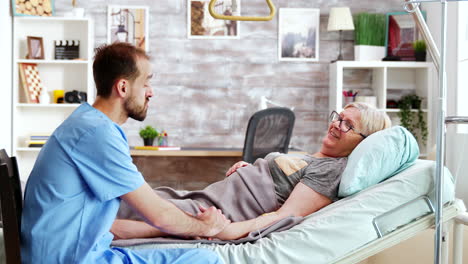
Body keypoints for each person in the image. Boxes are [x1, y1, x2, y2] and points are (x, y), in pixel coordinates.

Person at [20, 42, 230, 264]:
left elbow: (108, 226)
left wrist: (182, 229)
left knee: (200, 256)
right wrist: (207, 226)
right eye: (146, 82)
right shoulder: (97, 133)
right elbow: (159, 214)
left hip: (80, 254)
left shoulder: (88, 123)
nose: (151, 92)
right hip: (73, 260)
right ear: (122, 87)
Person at [112, 102, 392, 241]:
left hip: (220, 209)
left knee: (140, 210)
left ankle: (81, 231)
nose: (336, 125)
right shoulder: (314, 156)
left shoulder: (330, 171)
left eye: (347, 125)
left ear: (363, 141)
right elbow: (281, 181)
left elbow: (285, 215)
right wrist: (251, 169)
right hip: (211, 195)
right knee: (143, 199)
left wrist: (228, 230)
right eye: (338, 117)